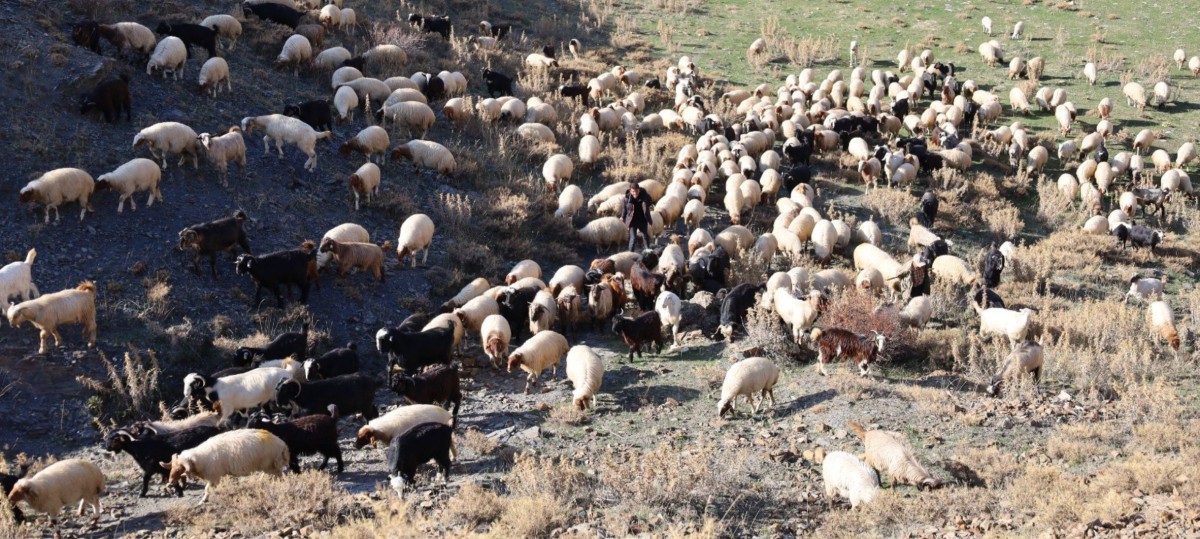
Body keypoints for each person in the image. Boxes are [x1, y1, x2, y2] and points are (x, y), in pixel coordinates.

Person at [622, 183, 653, 252]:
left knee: (645, 236)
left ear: (639, 190)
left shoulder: (644, 196)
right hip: (632, 221)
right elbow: (624, 209)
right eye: (633, 191)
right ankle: (630, 254)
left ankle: (648, 251)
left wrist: (645, 201)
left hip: (642, 219)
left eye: (636, 191)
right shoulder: (627, 198)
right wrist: (622, 217)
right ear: (630, 191)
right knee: (633, 238)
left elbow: (650, 201)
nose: (635, 193)